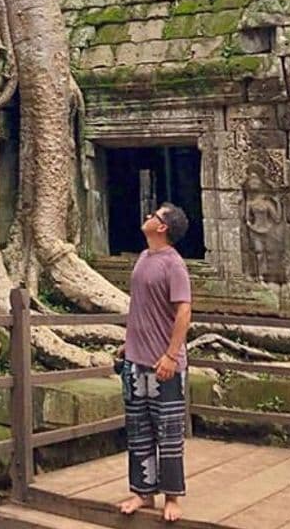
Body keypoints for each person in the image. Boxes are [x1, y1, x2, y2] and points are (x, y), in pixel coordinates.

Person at [117, 202, 192, 523]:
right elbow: (142, 308)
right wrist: (127, 344)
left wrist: (171, 355)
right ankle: (143, 491)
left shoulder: (174, 265)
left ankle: (172, 496)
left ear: (163, 227)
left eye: (155, 215)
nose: (148, 217)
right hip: (136, 359)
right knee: (138, 429)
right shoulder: (144, 258)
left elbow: (184, 311)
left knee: (169, 431)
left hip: (165, 363)